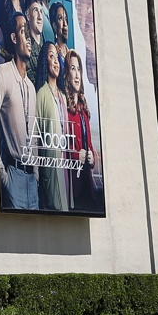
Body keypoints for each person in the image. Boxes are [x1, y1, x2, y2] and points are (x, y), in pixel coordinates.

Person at [0, 1, 41, 211]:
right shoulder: (3, 74)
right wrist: (3, 176)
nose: (29, 39)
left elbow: (35, 136)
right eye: (24, 32)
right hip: (13, 175)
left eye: (29, 34)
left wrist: (37, 175)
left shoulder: (31, 87)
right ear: (14, 38)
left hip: (32, 180)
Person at [32, 20, 69, 211]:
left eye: (57, 57)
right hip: (50, 169)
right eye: (51, 56)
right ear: (45, 62)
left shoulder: (63, 96)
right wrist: (38, 173)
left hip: (66, 167)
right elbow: (35, 138)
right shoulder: (41, 95)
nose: (55, 61)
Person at [62, 49, 98, 211]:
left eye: (78, 69)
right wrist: (77, 156)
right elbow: (60, 146)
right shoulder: (64, 106)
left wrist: (92, 158)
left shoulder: (84, 108)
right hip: (73, 185)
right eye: (72, 68)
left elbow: (89, 145)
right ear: (67, 74)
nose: (77, 74)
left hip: (87, 182)